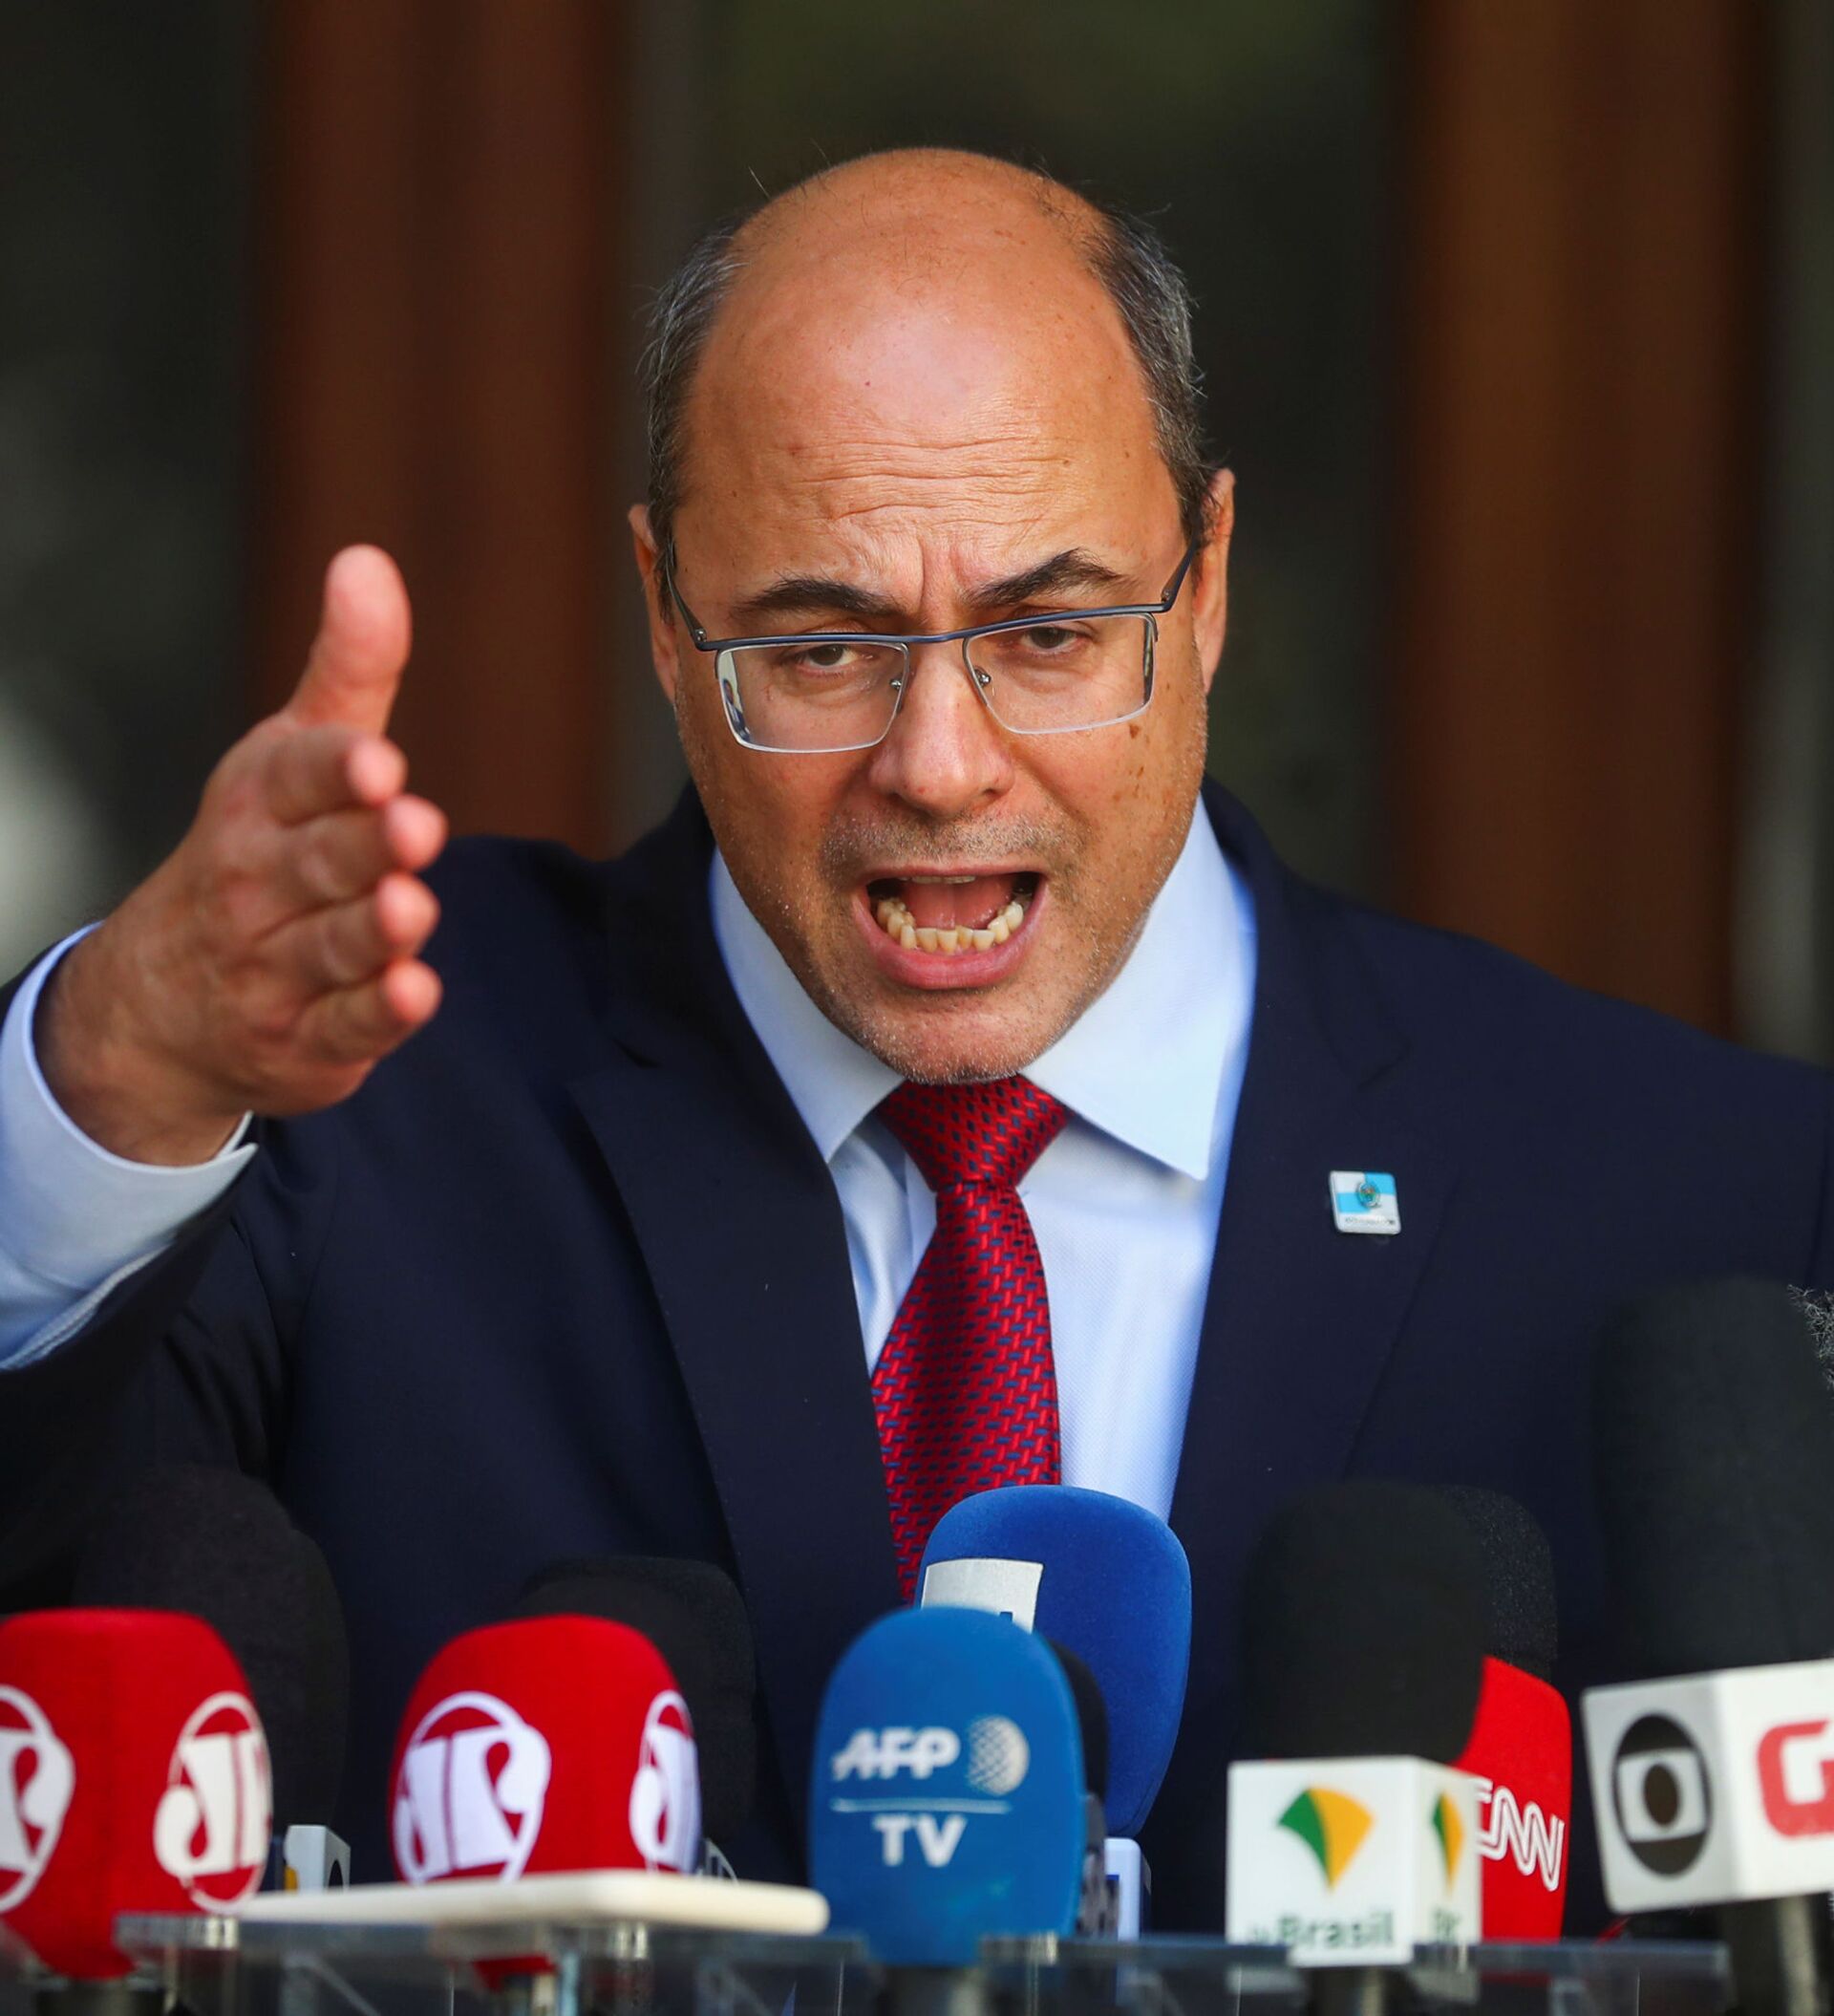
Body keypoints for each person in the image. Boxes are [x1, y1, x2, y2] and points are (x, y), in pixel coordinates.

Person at [1, 149, 1829, 1921]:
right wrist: (118, 1075)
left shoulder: (1708, 1203)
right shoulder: (365, 1091)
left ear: (1207, 585)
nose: (938, 766)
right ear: (665, 618)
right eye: (819, 649)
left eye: (1049, 633)